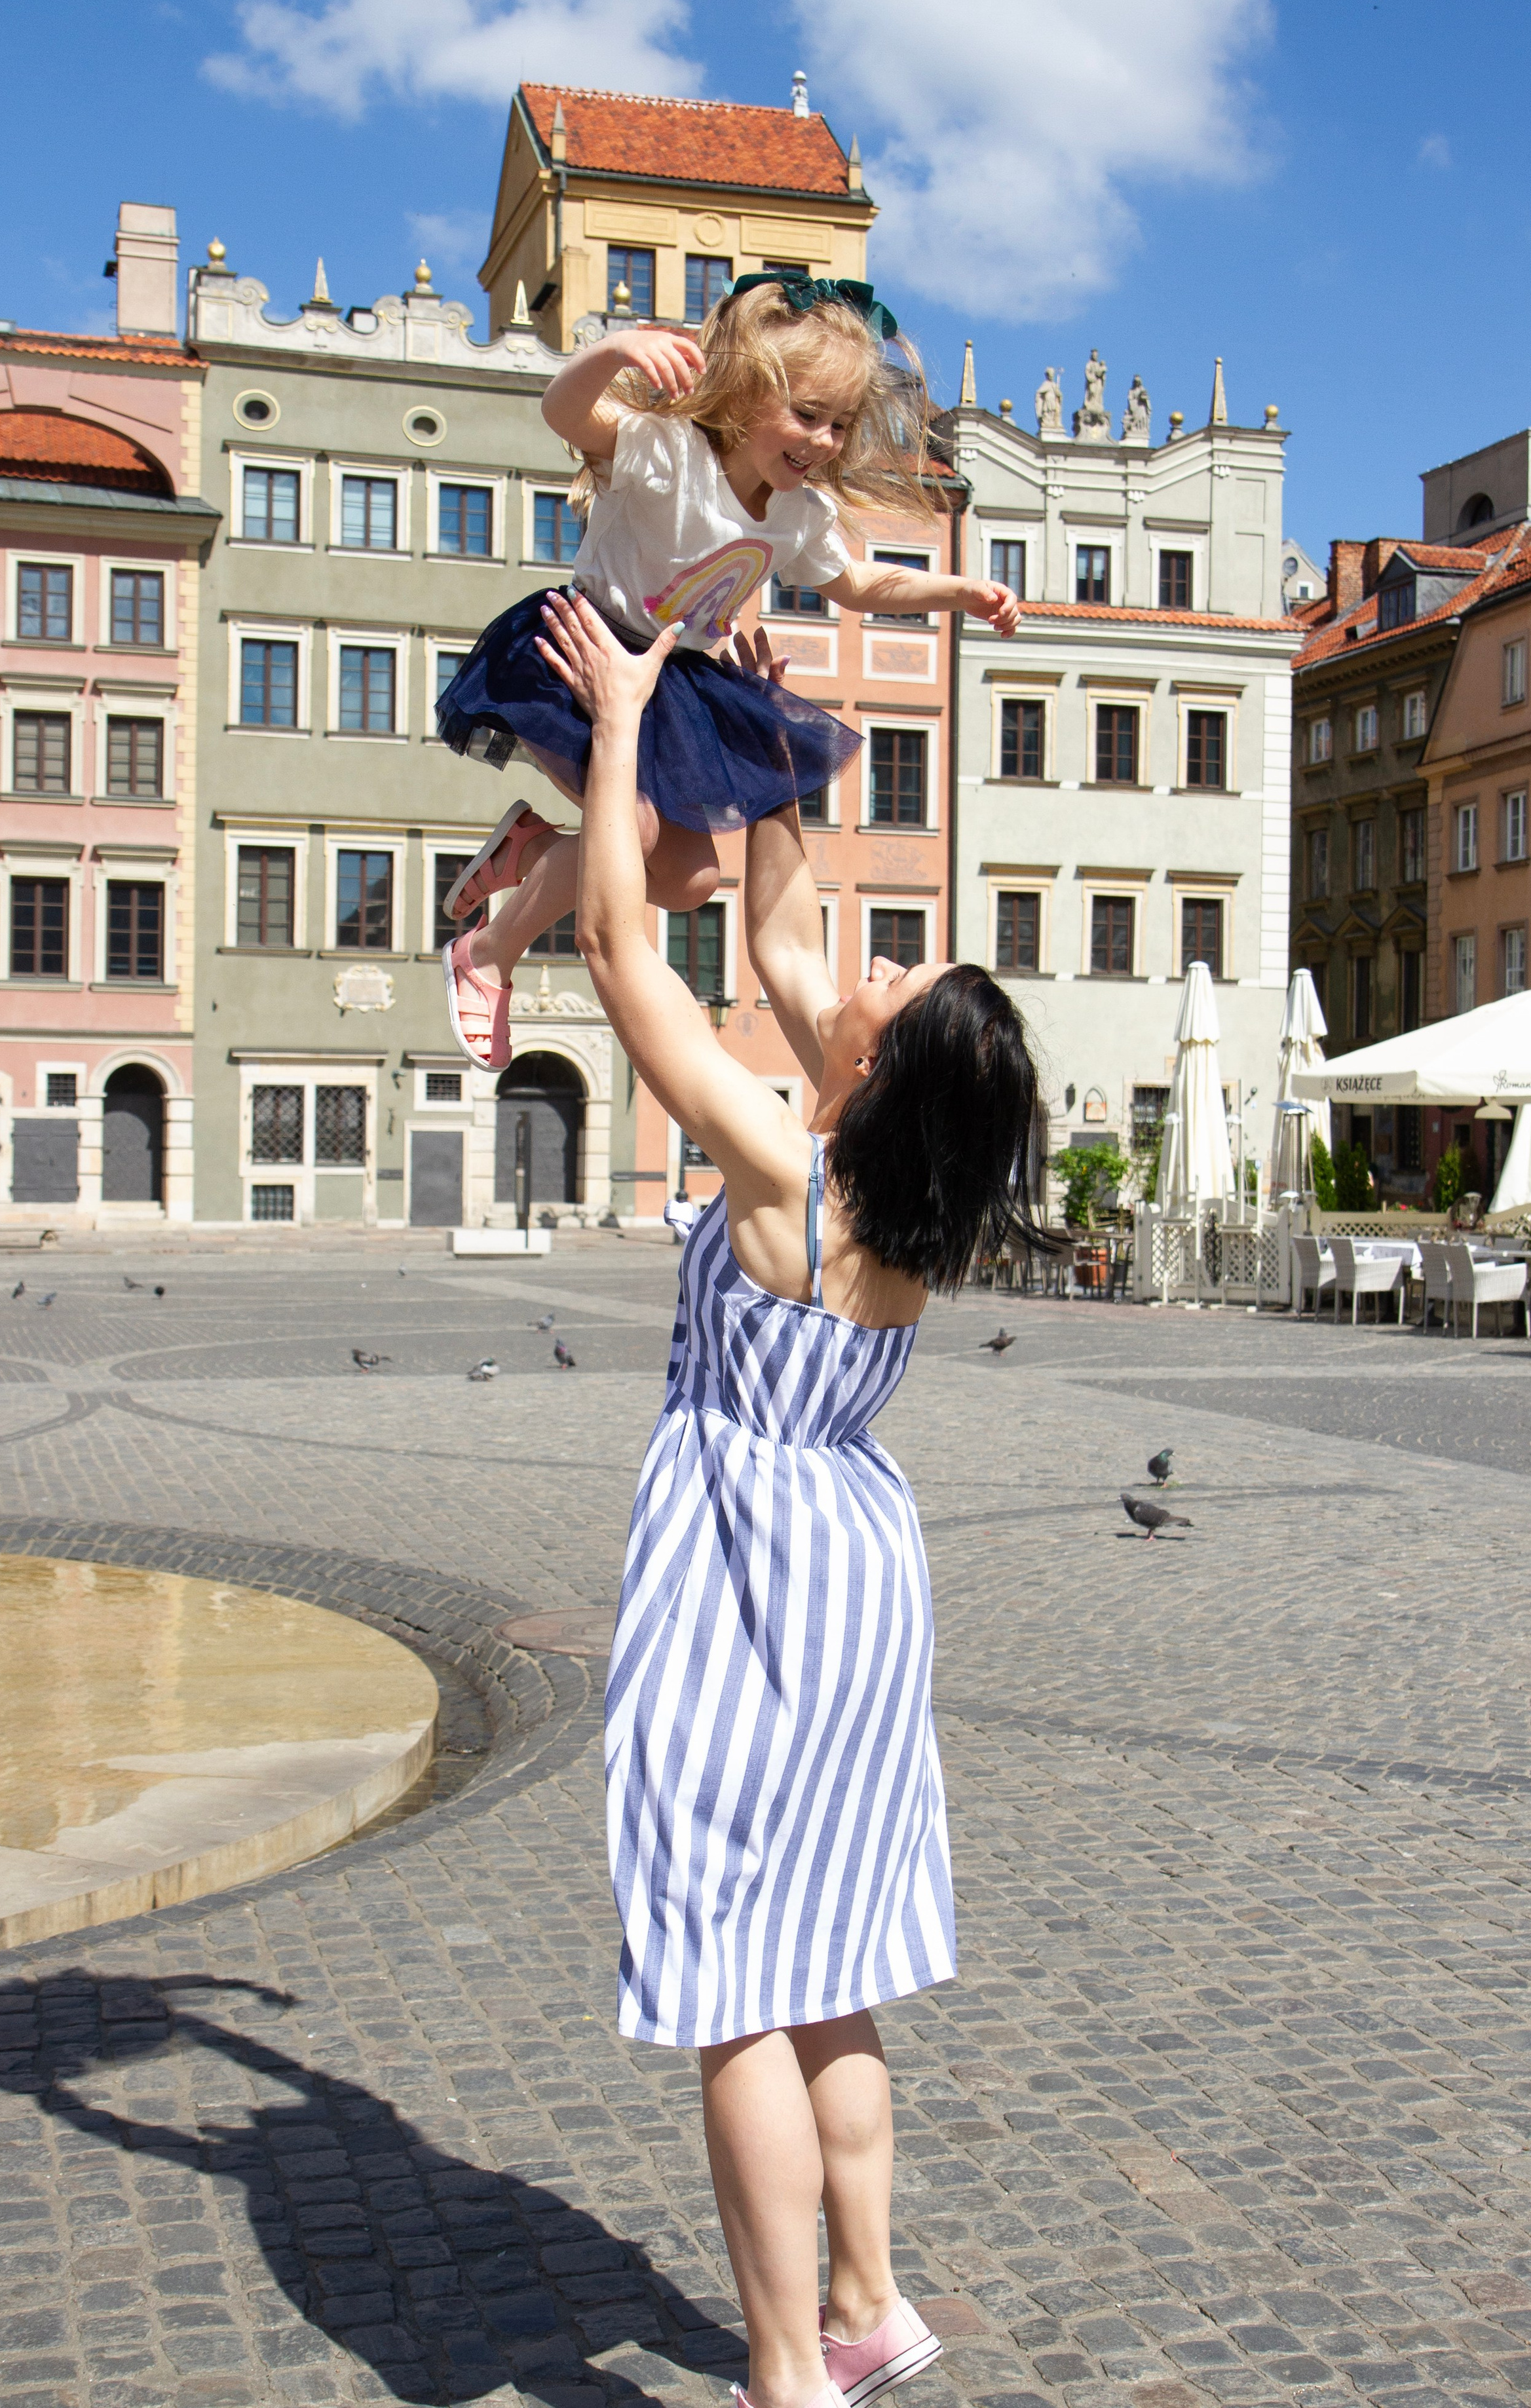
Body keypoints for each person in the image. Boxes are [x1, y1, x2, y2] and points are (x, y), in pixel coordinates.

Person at [535, 588, 1051, 2408]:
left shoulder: (783, 1167)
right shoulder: (903, 1210)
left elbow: (617, 950)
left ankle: (780, 2369)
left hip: (750, 1563)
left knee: (734, 1978)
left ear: (879, 1069)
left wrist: (619, 731)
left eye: (894, 992)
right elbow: (784, 924)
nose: (870, 972)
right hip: (860, 1565)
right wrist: (761, 751)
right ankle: (870, 2298)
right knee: (830, 1954)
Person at [434, 274, 1019, 1070]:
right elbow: (563, 414)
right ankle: (489, 953)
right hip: (585, 649)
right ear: (744, 398)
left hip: (671, 678)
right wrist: (612, 352)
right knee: (632, 827)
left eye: (839, 425)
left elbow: (857, 584)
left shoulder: (797, 512)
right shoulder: (668, 453)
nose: (822, 441)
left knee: (688, 880)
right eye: (806, 416)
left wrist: (958, 592)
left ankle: (534, 852)